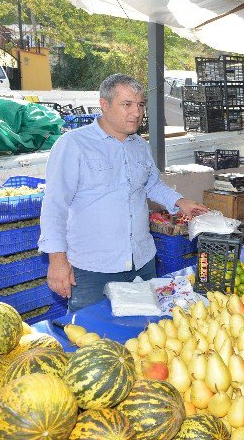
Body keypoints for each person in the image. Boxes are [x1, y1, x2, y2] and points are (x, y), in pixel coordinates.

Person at [39, 73, 208, 312]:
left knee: (145, 334)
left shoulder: (139, 145)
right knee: (94, 340)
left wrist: (180, 201)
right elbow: (55, 205)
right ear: (104, 104)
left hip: (142, 262)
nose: (137, 112)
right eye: (127, 104)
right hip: (93, 269)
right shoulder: (74, 144)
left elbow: (152, 185)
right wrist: (57, 260)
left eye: (139, 105)